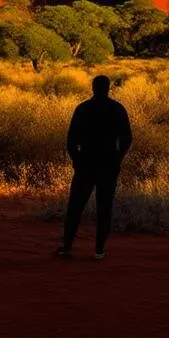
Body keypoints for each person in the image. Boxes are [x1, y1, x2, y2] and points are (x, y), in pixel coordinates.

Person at [57, 75, 133, 260]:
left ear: (93, 87)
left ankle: (67, 247)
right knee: (104, 208)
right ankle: (99, 250)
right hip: (108, 163)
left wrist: (76, 160)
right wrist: (118, 158)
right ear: (109, 88)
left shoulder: (83, 108)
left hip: (86, 163)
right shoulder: (117, 109)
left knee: (75, 206)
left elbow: (70, 139)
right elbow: (127, 138)